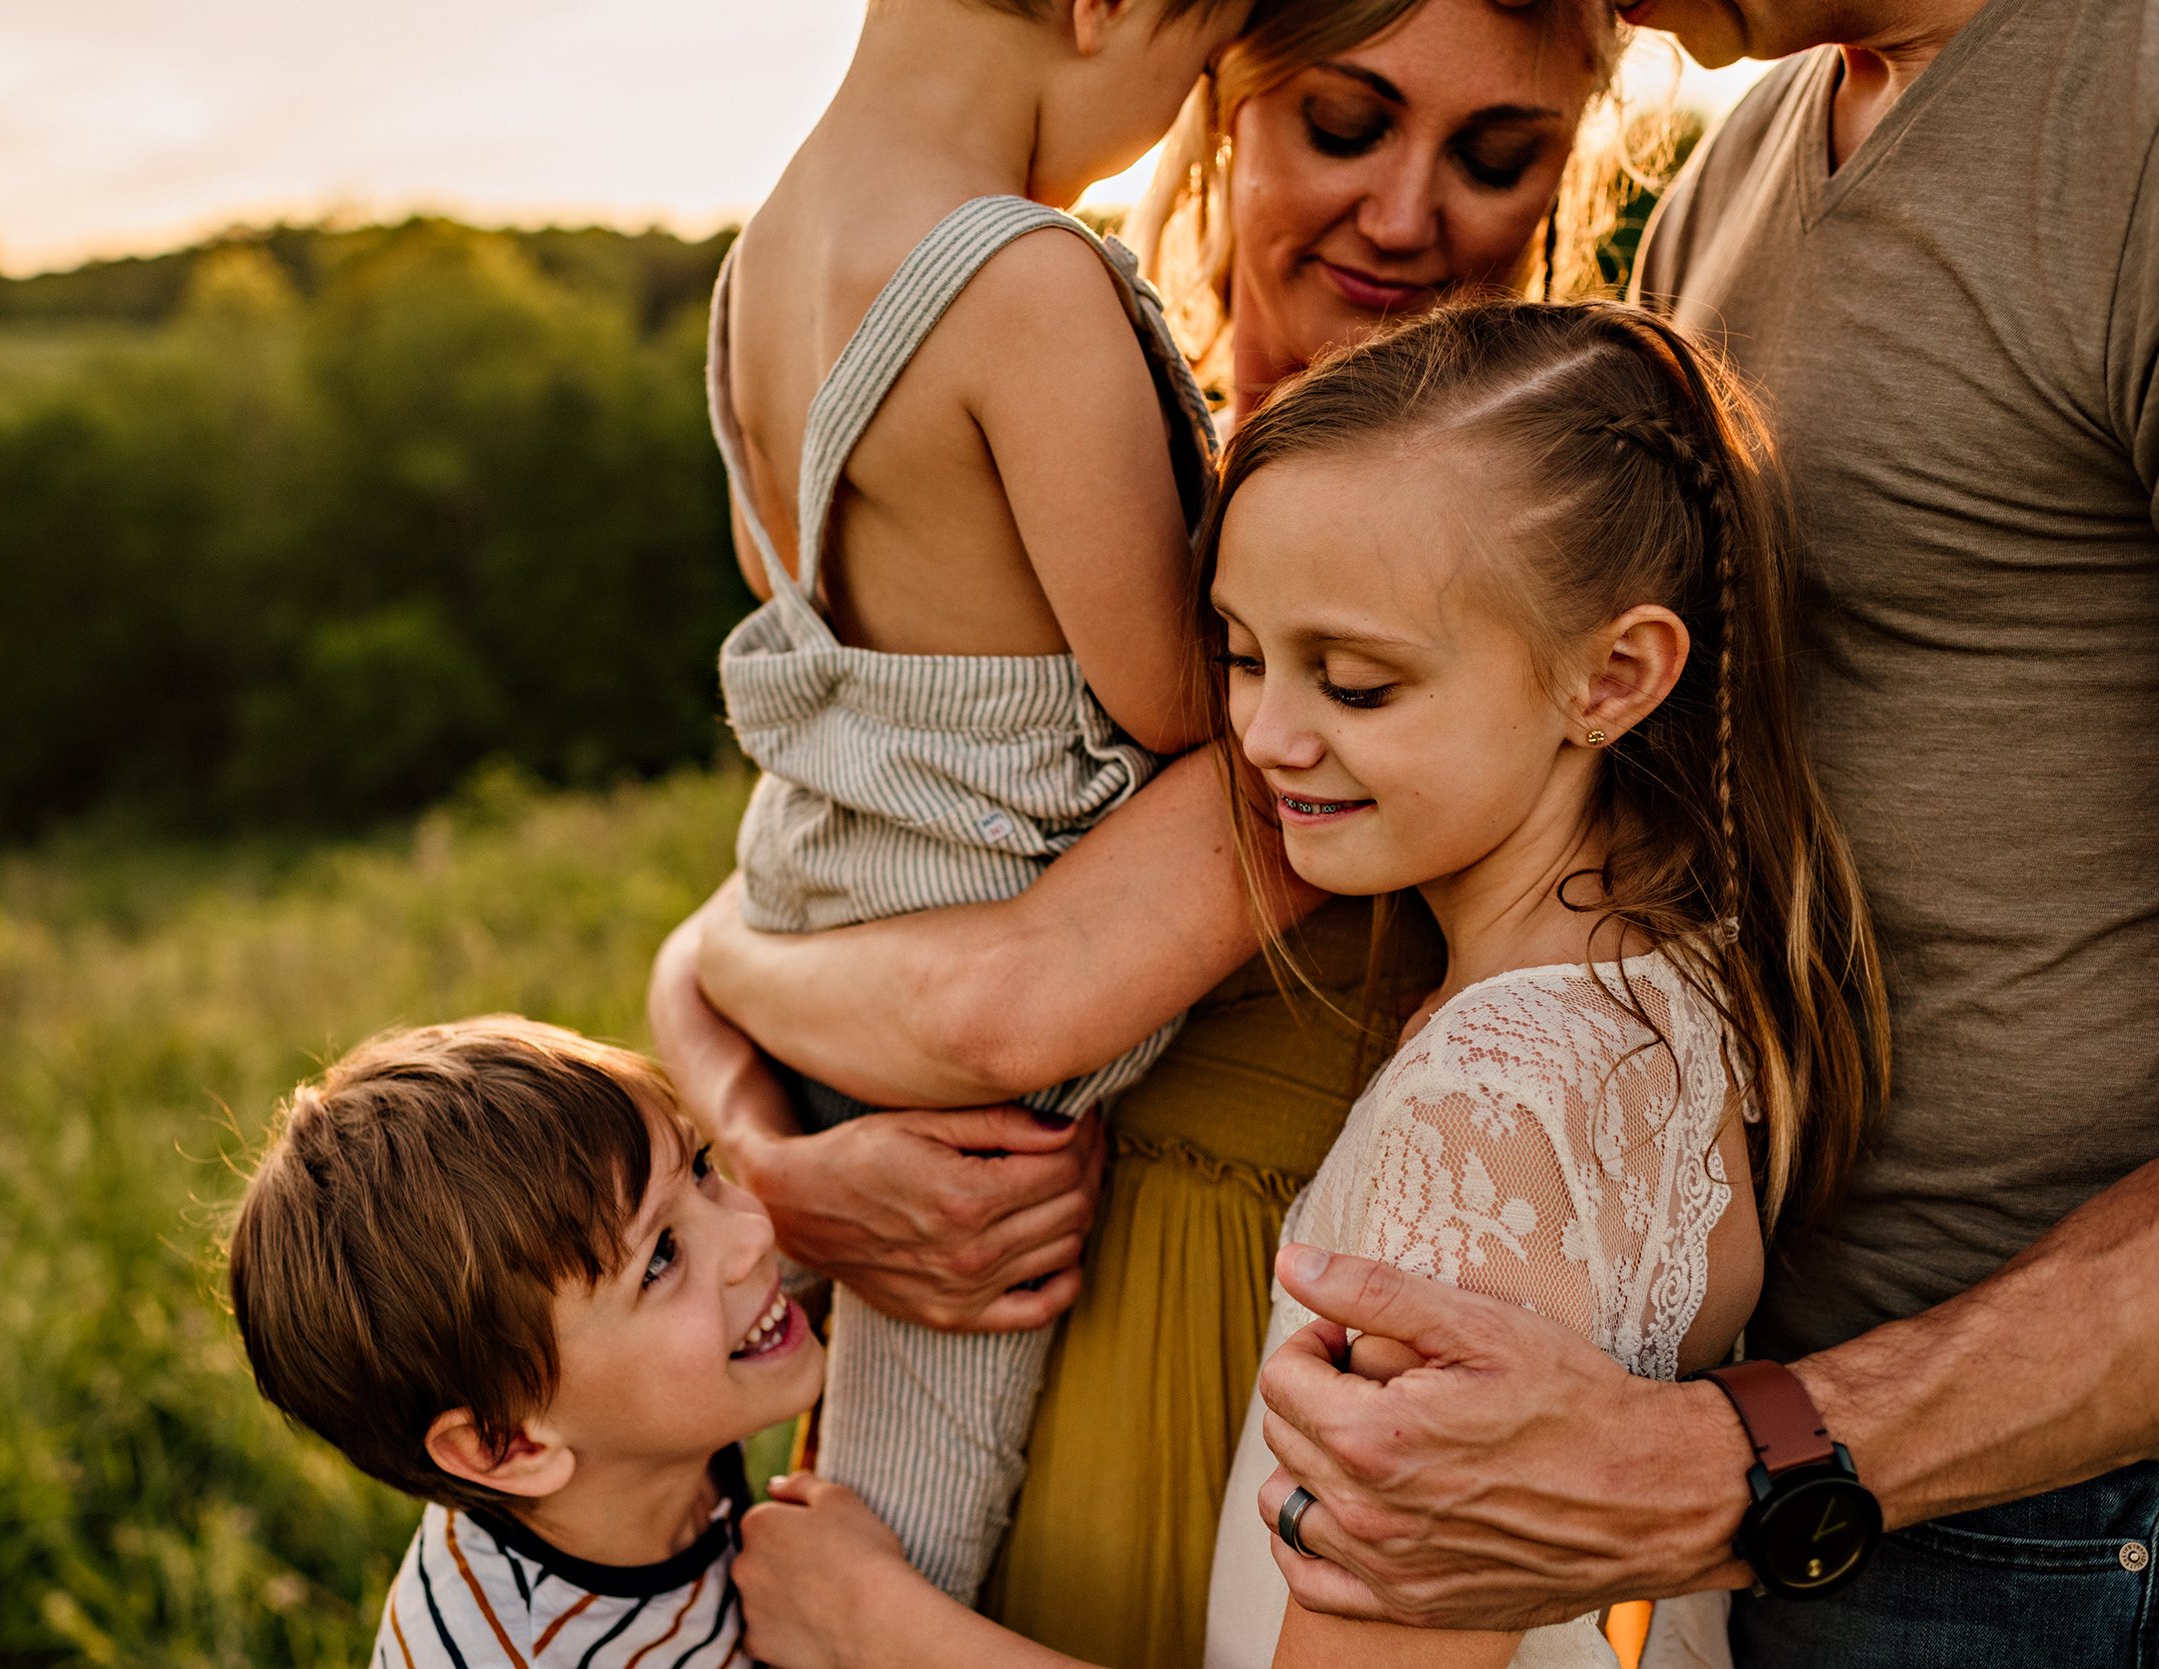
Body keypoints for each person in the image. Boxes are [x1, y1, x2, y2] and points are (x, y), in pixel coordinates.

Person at [649, 0, 1619, 1660]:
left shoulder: (1484, 605)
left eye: (1496, 154)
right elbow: (771, 921)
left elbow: (991, 997)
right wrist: (786, 1166)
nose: (1406, 213)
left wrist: (746, 982)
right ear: (1224, 101)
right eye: (1342, 122)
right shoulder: (1057, 446)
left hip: (1278, 1406)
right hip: (998, 1315)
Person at [726, 294, 1883, 1669]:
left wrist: (869, 1622)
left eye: (1357, 684)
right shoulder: (1669, 986)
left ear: (1615, 675)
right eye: (1241, 652)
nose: (1266, 736)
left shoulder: (1488, 1115)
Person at [1237, 0, 2159, 1664]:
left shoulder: (2134, 108)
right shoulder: (1751, 141)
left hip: (2061, 1520)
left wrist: (1759, 1453)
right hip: (1763, 1457)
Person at [700, 0, 1260, 1603]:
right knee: (917, 1547)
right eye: (1195, 55)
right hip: (996, 1051)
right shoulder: (1022, 281)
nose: (1183, 107)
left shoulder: (761, 268)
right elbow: (1169, 697)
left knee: (852, 1478)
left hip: (833, 932)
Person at [224, 1017, 823, 1668]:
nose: (753, 1232)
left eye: (701, 1167)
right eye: (660, 1258)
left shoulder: (655, 1420)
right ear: (509, 1444)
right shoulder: (507, 1652)